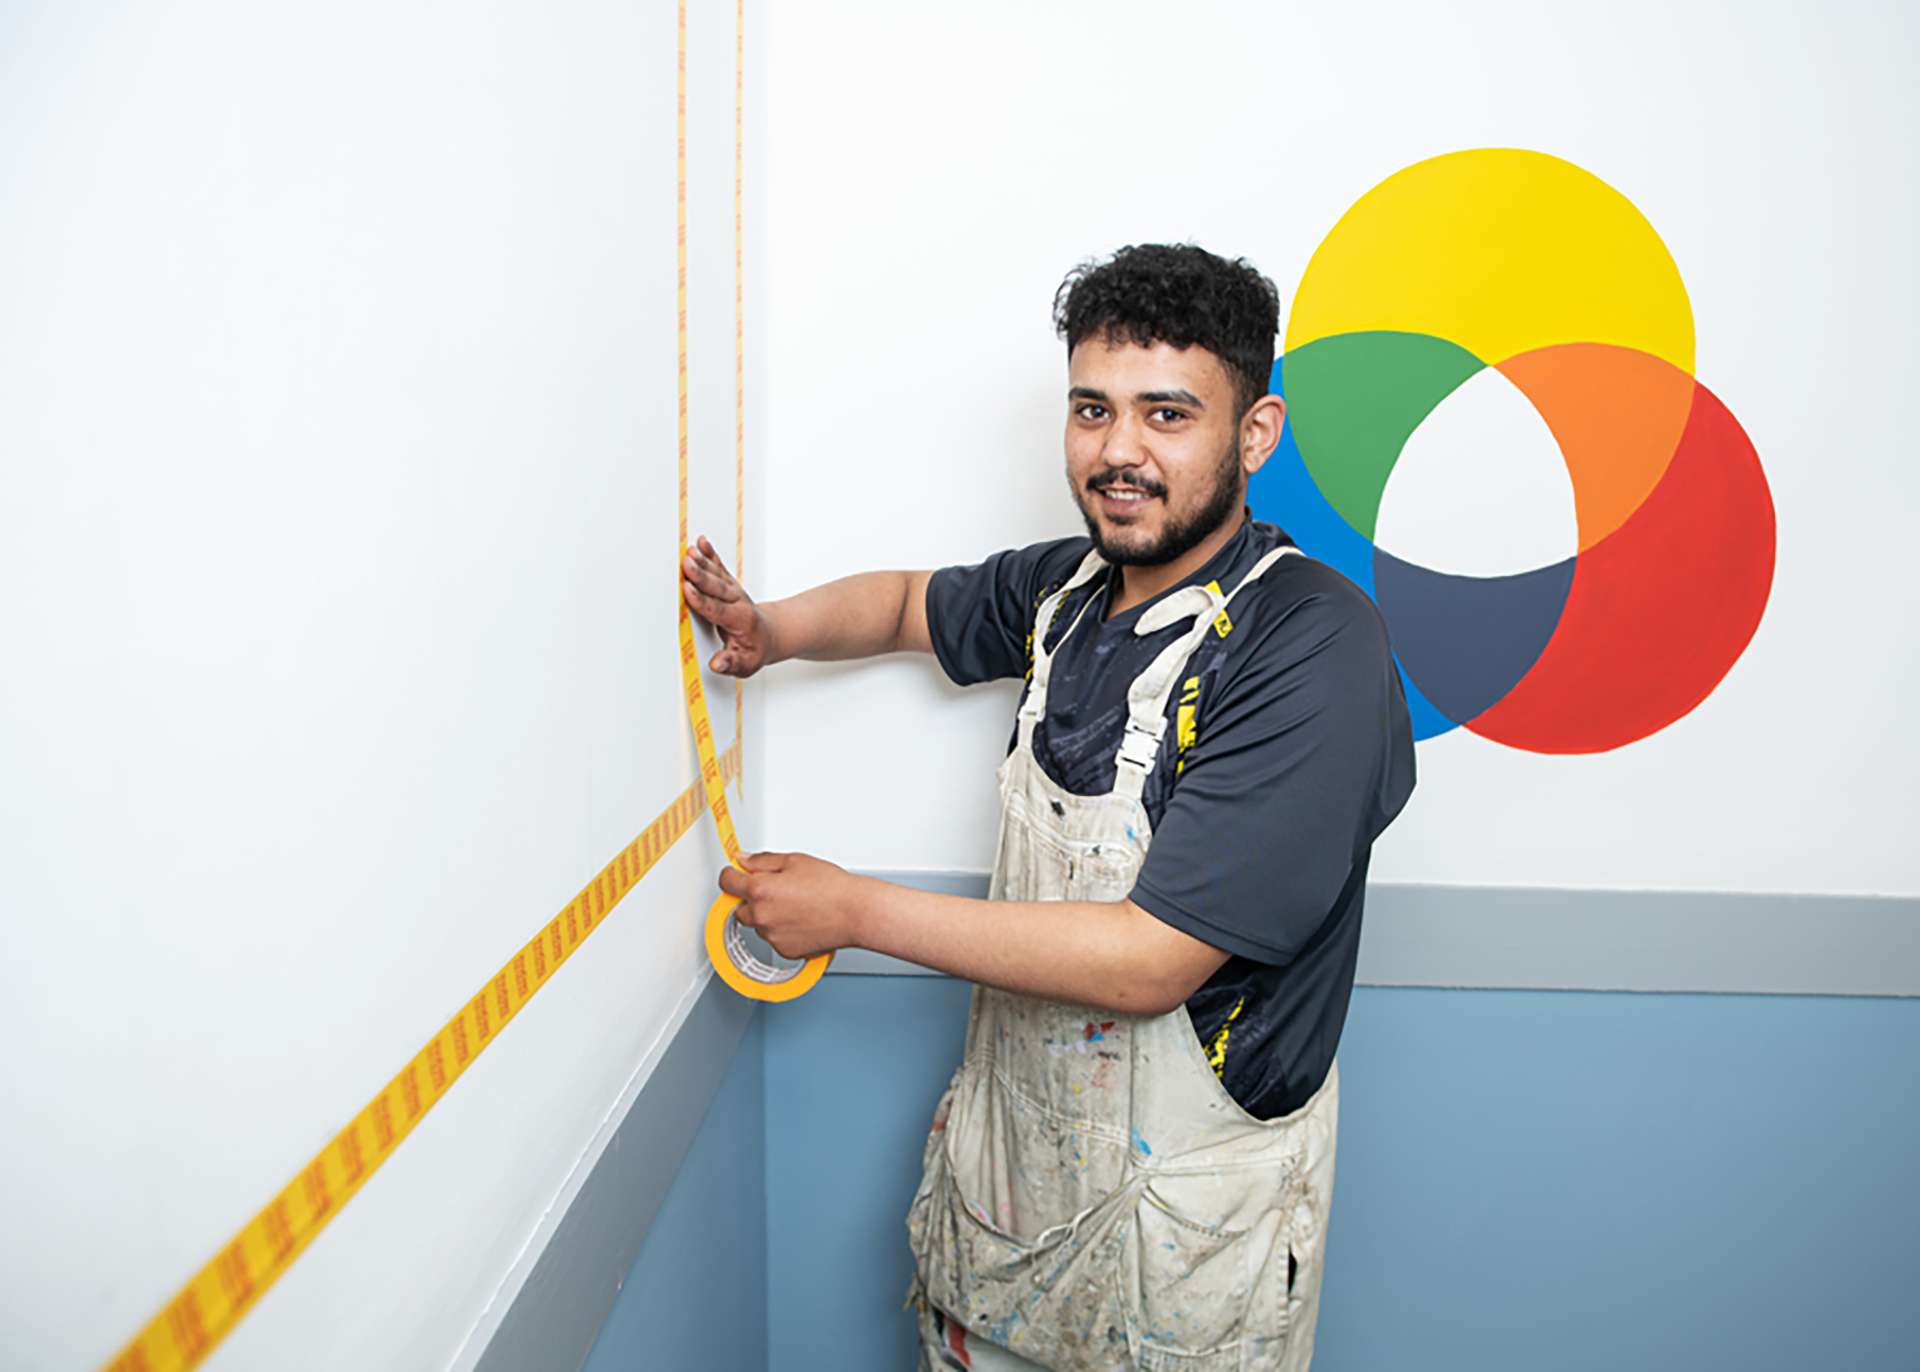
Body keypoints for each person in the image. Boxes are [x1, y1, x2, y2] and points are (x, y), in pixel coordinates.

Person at [681, 243, 1415, 1372]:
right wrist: (771, 630)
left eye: (1167, 413)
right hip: (1010, 1211)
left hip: (1185, 1254)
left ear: (1254, 434)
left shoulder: (1310, 643)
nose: (1119, 450)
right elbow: (903, 606)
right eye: (1093, 409)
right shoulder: (1064, 594)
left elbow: (1150, 960)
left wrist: (854, 910)